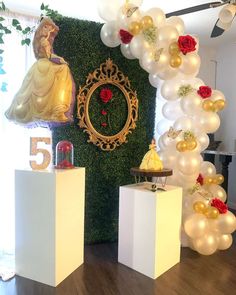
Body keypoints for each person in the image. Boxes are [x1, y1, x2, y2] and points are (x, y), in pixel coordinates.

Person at [5, 17, 74, 127]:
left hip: (42, 63)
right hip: (45, 64)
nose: (50, 32)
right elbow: (49, 56)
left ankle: (57, 108)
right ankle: (58, 108)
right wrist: (60, 60)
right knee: (63, 69)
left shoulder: (41, 41)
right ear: (44, 28)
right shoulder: (43, 41)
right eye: (48, 28)